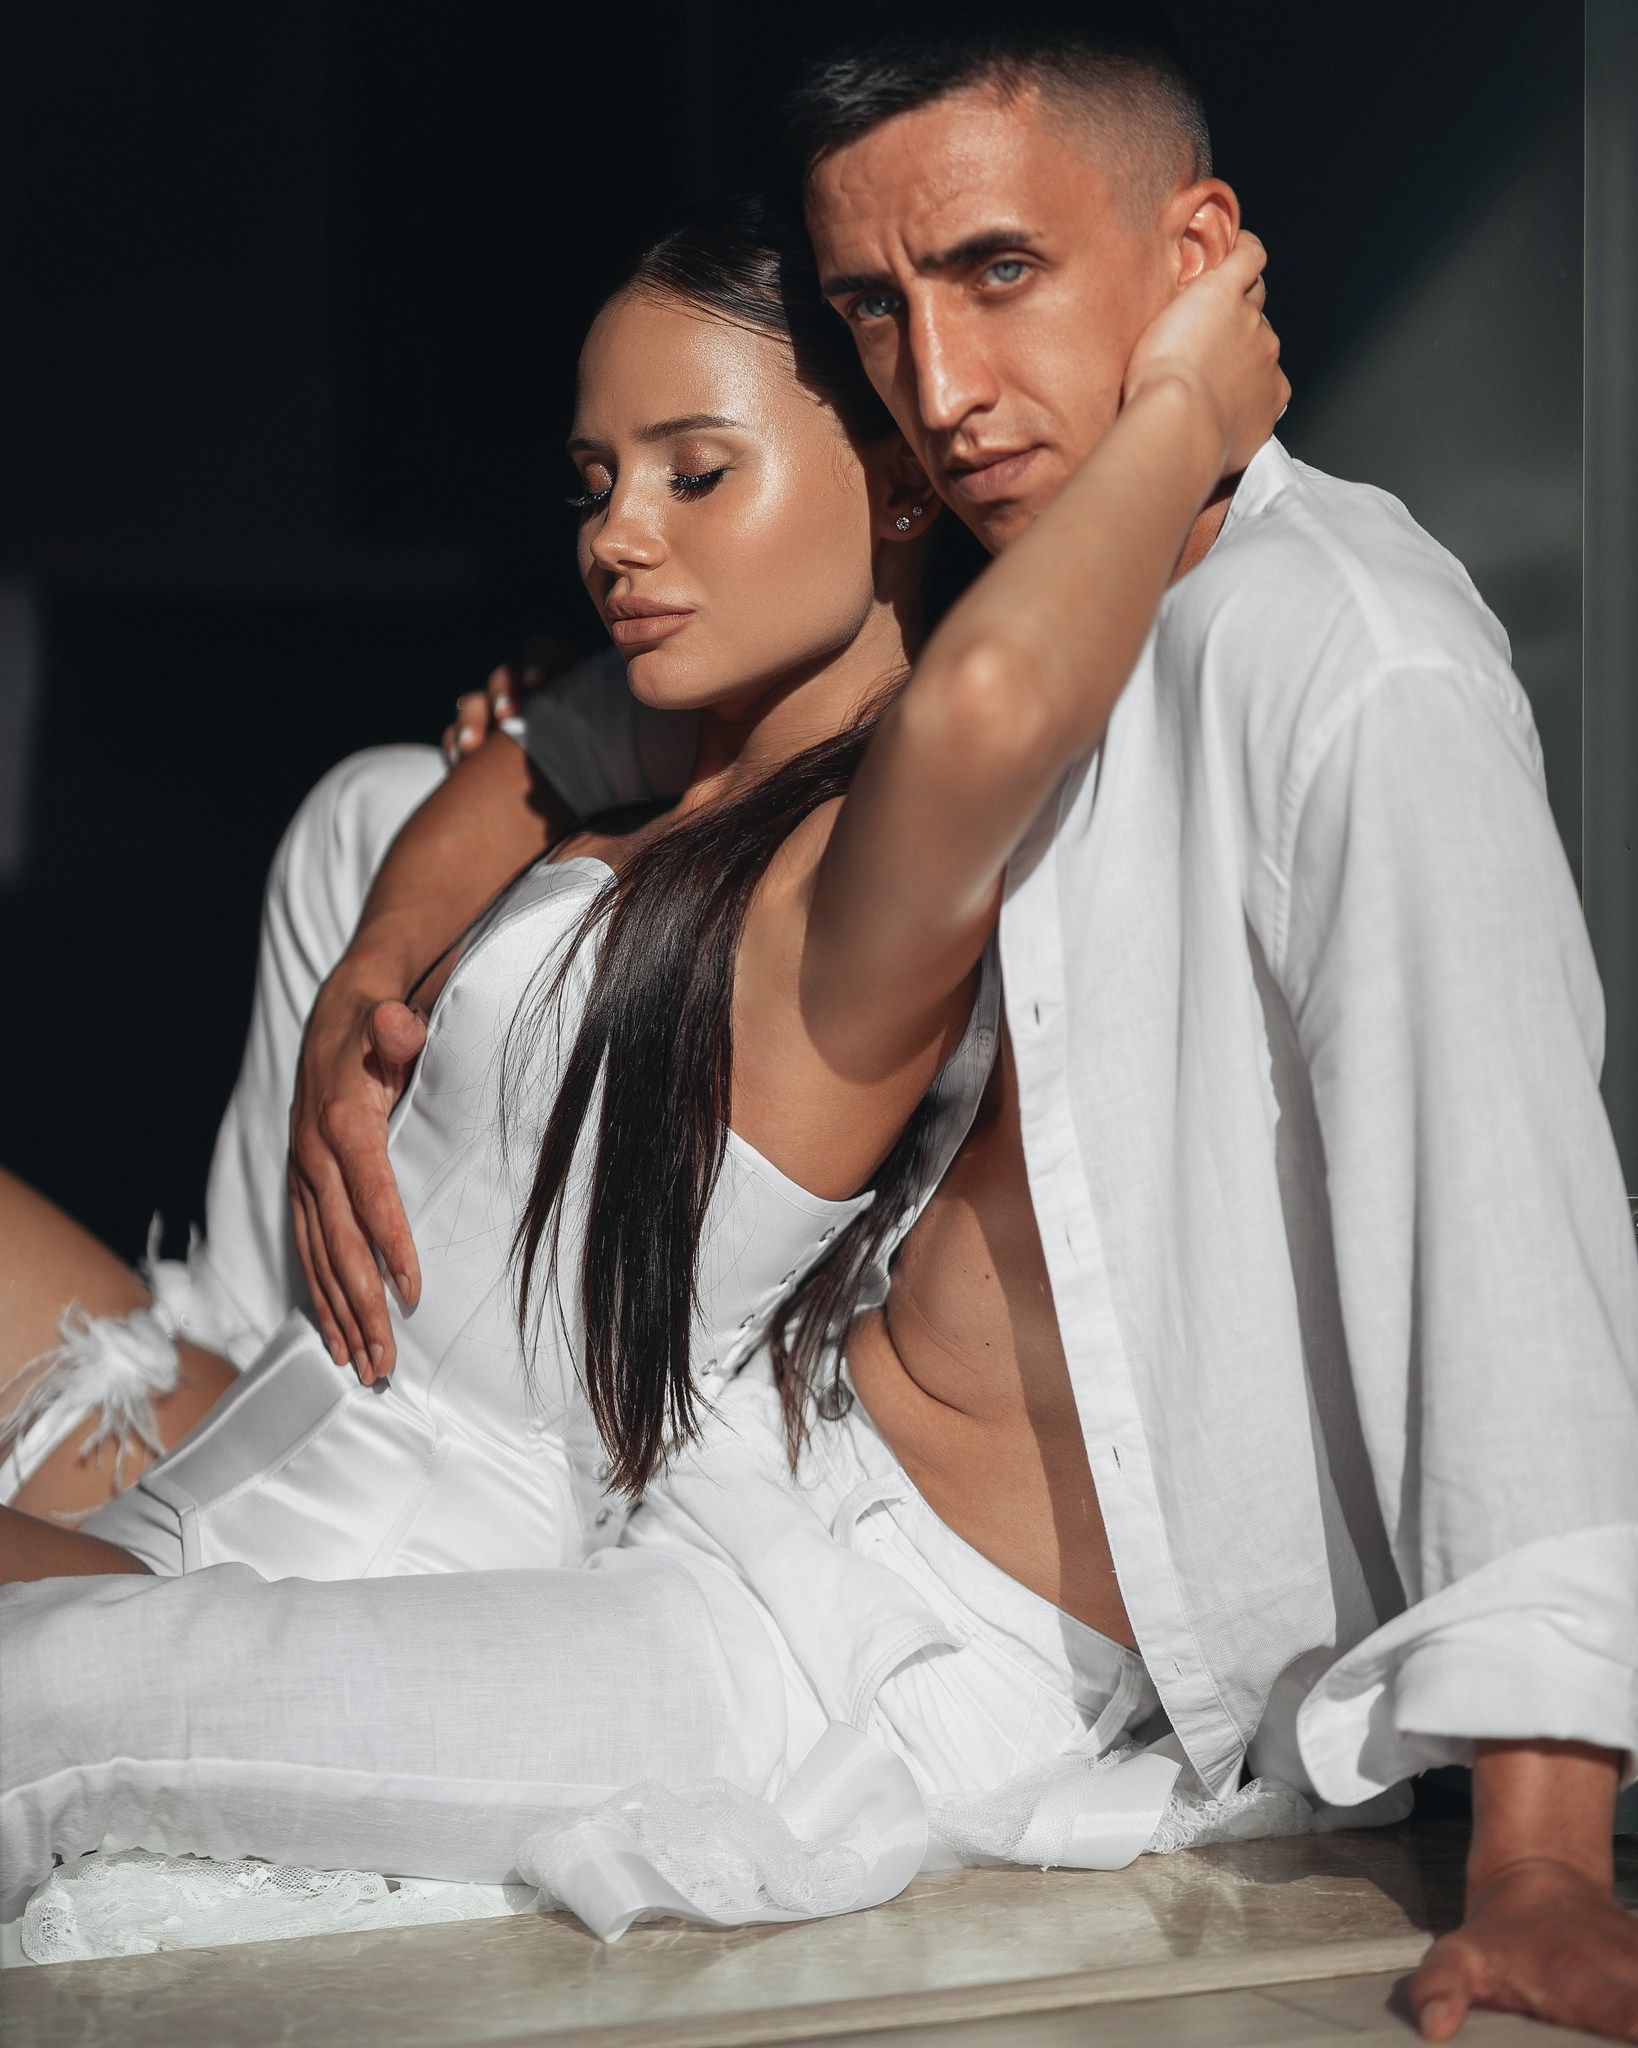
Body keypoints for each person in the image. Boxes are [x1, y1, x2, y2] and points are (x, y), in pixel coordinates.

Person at [270, 9, 1638, 2037]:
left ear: (1199, 259)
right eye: (871, 307)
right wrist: (379, 952)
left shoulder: (1340, 655)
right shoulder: (988, 599)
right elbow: (578, 729)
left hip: (912, 1639)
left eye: (997, 272)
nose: (935, 384)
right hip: (725, 1464)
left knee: (98, 1702)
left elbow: (1502, 1231)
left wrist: (1538, 1858)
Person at [1, 194, 1291, 1926]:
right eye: (596, 481)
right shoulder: (660, 768)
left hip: (390, 1572)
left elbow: (989, 697)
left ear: (900, 485)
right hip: (249, 1449)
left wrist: (1184, 408)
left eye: (695, 473)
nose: (618, 534)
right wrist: (372, 968)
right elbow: (524, 751)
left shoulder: (855, 882)